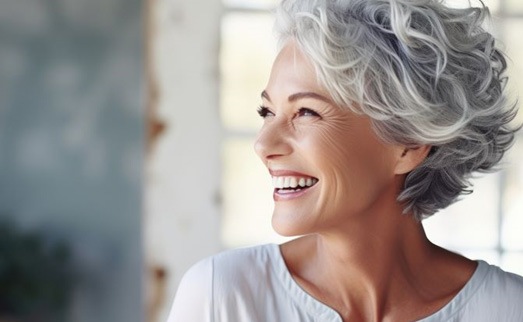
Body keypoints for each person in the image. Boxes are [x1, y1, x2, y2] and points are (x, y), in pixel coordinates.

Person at [167, 0, 523, 321]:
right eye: (267, 111)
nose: (263, 144)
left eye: (305, 112)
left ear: (409, 143)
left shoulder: (507, 309)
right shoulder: (221, 296)